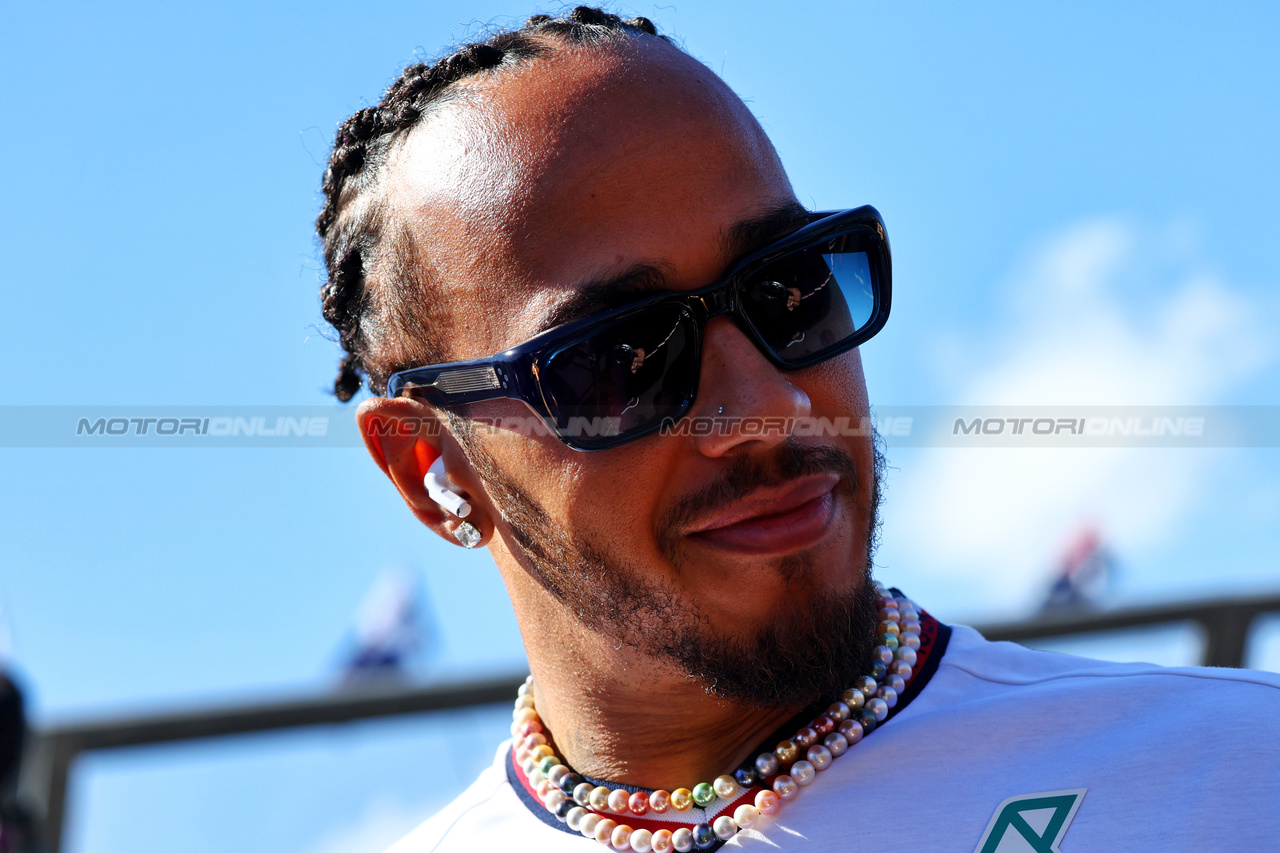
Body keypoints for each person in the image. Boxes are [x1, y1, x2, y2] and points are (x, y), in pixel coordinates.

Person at [313, 8, 1280, 851]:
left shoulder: (1236, 783)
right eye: (623, 357)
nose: (773, 405)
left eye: (792, 289)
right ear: (434, 468)